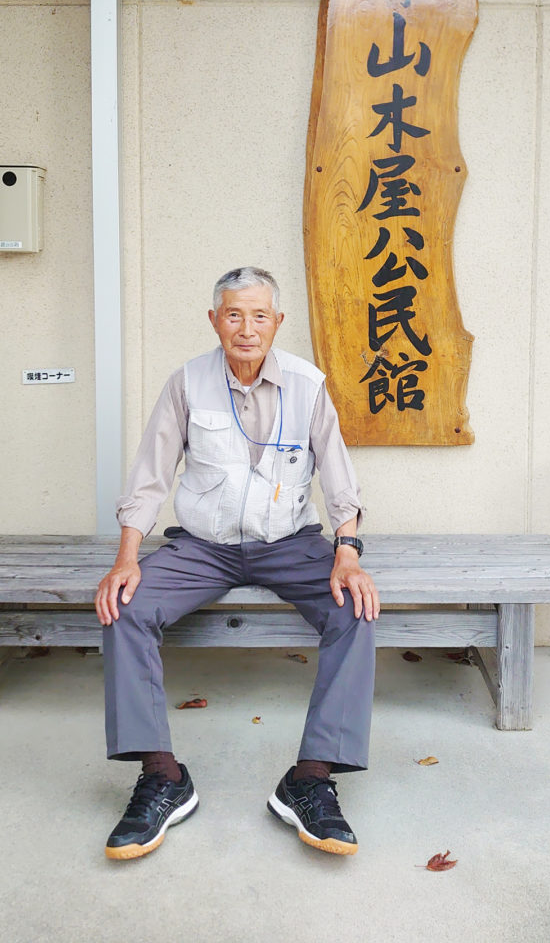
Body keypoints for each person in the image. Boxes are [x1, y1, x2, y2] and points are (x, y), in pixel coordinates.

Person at [95, 266, 379, 861]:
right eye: (233, 315)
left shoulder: (307, 383)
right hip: (204, 546)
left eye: (258, 316)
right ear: (214, 320)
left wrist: (347, 552)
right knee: (124, 606)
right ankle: (163, 777)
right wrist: (127, 557)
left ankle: (310, 778)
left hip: (289, 543)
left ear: (277, 321)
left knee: (354, 609)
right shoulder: (188, 382)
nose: (245, 329)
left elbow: (339, 477)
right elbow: (150, 476)